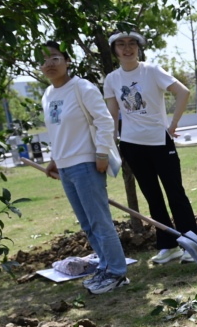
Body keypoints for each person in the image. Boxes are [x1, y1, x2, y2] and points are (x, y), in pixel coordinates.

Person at [103, 30, 197, 265]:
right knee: (153, 197)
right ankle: (169, 246)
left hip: (160, 141)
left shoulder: (151, 70)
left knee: (175, 193)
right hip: (131, 145)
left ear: (138, 47)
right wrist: (111, 144)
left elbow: (183, 92)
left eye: (132, 43)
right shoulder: (112, 79)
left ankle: (193, 243)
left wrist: (173, 125)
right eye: (121, 44)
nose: (127, 48)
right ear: (114, 50)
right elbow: (112, 114)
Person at [39, 41, 130, 295]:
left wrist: (101, 153)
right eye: (43, 60)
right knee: (87, 224)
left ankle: (117, 272)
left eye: (54, 58)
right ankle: (105, 267)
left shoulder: (81, 87)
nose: (49, 64)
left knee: (100, 222)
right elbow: (58, 131)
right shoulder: (48, 95)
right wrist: (55, 158)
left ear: (67, 61)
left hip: (86, 165)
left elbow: (105, 121)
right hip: (66, 168)